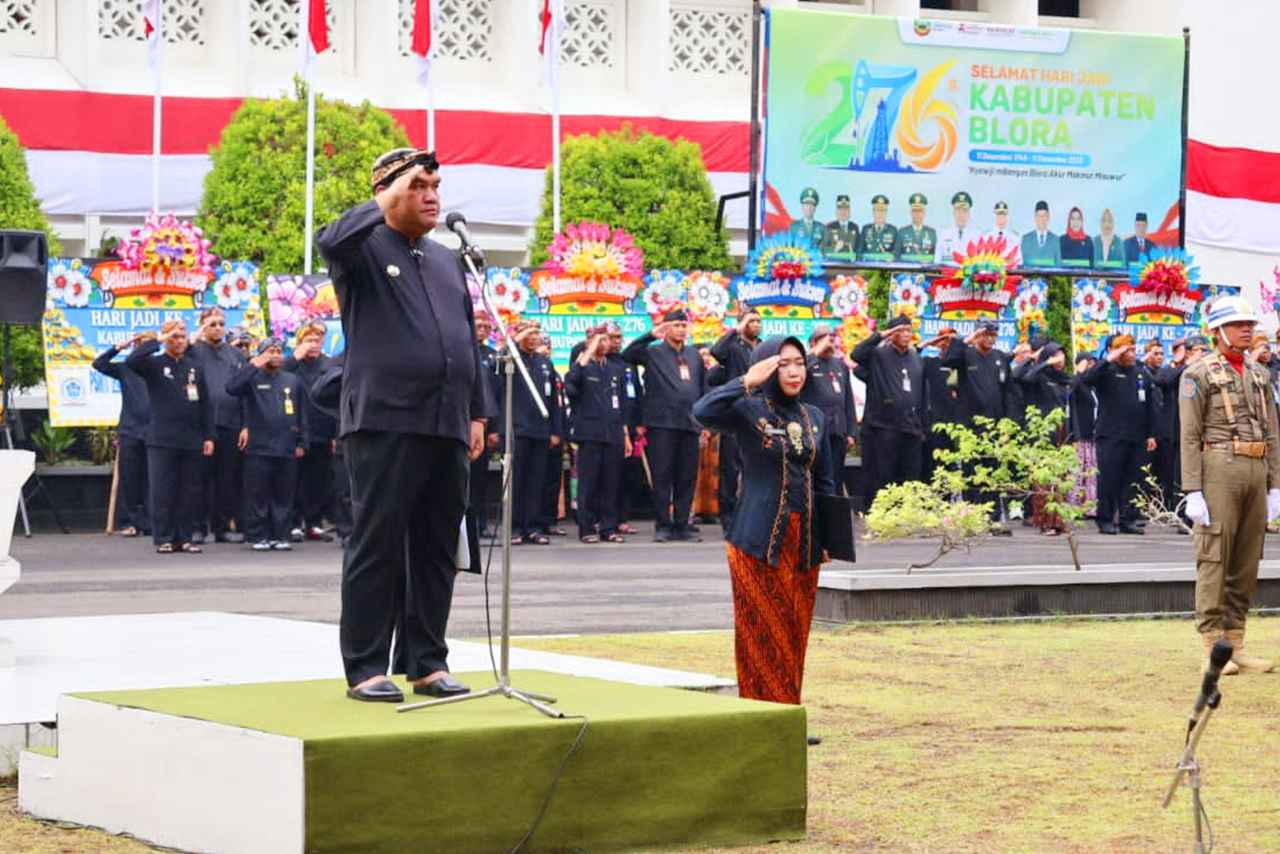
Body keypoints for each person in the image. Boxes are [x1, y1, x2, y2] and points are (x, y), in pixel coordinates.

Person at [316, 147, 491, 703]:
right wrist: (382, 197)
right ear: (387, 190)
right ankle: (366, 666)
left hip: (446, 420)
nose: (432, 195)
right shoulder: (362, 248)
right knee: (379, 542)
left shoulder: (445, 259)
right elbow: (329, 239)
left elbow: (469, 338)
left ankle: (426, 661)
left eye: (435, 184)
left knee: (438, 545)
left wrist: (478, 411)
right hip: (385, 419)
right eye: (418, 185)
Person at [692, 336, 835, 708]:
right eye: (783, 363)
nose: (793, 371)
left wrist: (830, 539)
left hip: (804, 540)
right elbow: (703, 410)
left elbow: (826, 481)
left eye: (799, 363)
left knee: (794, 628)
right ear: (765, 365)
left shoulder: (814, 417)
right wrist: (746, 381)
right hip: (756, 538)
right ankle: (760, 714)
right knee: (760, 632)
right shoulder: (747, 409)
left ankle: (788, 714)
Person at [1180, 296, 1280, 674]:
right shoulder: (1197, 374)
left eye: (1249, 324)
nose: (1247, 329)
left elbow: (1272, 431)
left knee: (1246, 559)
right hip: (1219, 466)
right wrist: (1193, 489)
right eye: (1238, 324)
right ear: (1218, 331)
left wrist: (1275, 484)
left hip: (1255, 467)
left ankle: (1235, 644)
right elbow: (1190, 435)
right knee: (1214, 557)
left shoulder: (1259, 374)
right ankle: (1212, 648)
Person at [126, 319, 214, 554]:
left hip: (192, 438)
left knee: (189, 491)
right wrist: (160, 340)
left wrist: (209, 436)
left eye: (182, 336)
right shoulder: (154, 364)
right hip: (162, 439)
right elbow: (132, 361)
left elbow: (206, 404)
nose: (179, 341)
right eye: (174, 337)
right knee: (163, 490)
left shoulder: (194, 366)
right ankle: (164, 537)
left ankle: (184, 538)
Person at [622, 307, 709, 542]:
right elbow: (627, 354)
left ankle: (682, 524)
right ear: (666, 327)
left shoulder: (693, 354)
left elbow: (702, 388)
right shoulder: (653, 352)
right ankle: (663, 524)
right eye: (676, 325)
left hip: (690, 423)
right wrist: (652, 334)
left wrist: (704, 422)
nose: (681, 330)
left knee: (686, 477)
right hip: (662, 423)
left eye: (683, 326)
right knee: (662, 476)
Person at [227, 338, 308, 551]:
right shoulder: (252, 378)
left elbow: (302, 414)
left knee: (284, 493)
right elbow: (232, 387)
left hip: (286, 445)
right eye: (270, 351)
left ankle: (280, 534)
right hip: (259, 445)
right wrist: (254, 364)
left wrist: (302, 441)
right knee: (258, 493)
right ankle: (258, 535)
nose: (275, 355)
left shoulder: (292, 380)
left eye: (278, 351)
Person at [940, 321, 1014, 532]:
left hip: (995, 427)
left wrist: (1007, 425)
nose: (990, 339)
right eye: (985, 334)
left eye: (993, 335)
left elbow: (1010, 391)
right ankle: (972, 519)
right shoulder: (965, 354)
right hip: (970, 426)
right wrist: (968, 341)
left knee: (993, 473)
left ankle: (993, 519)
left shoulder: (1000, 357)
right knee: (971, 473)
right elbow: (947, 361)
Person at [1082, 334, 1156, 535]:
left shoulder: (1141, 373)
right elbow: (1085, 379)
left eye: (1132, 350)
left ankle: (1128, 519)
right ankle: (1105, 519)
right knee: (1109, 479)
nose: (1131, 354)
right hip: (1111, 435)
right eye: (1126, 351)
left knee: (1133, 480)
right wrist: (1110, 358)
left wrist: (1151, 434)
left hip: (1137, 436)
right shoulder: (1106, 371)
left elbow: (1151, 405)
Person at [851, 315, 925, 509]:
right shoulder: (878, 355)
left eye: (909, 330)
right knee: (883, 472)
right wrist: (881, 335)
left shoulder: (915, 357)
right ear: (891, 334)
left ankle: (905, 512)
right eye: (900, 330)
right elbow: (856, 355)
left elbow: (921, 391)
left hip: (911, 425)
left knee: (909, 473)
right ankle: (881, 511)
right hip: (884, 424)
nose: (906, 335)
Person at [498, 322, 561, 545]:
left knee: (537, 481)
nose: (535, 338)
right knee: (517, 481)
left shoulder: (545, 363)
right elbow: (502, 356)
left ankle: (533, 526)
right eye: (530, 333)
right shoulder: (510, 359)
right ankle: (514, 527)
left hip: (540, 430)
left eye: (537, 334)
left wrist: (555, 429)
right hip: (516, 430)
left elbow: (553, 400)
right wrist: (518, 336)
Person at [566, 325, 628, 543]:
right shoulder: (582, 366)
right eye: (598, 340)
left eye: (606, 340)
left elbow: (621, 403)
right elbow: (570, 386)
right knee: (589, 483)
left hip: (613, 432)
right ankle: (587, 527)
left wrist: (625, 434)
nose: (604, 343)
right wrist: (587, 353)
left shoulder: (615, 368)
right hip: (589, 433)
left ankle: (609, 527)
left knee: (611, 483)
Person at [189, 307, 246, 543]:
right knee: (199, 478)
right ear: (203, 325)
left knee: (227, 478)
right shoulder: (193, 351)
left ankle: (222, 527)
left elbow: (245, 390)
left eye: (221, 324)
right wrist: (198, 334)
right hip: (202, 424)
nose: (218, 328)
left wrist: (246, 425)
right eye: (212, 324)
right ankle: (197, 528)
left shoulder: (235, 355)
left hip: (231, 422)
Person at [93, 334, 153, 537]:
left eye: (148, 345)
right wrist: (118, 347)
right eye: (140, 345)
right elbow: (98, 364)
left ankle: (151, 522)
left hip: (155, 431)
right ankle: (130, 522)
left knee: (153, 479)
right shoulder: (125, 368)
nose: (144, 349)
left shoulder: (159, 368)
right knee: (130, 478)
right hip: (130, 430)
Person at [710, 308, 762, 531]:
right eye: (752, 321)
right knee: (730, 469)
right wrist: (736, 330)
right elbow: (716, 351)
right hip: (735, 413)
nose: (757, 324)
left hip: (758, 414)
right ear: (741, 324)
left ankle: (751, 515)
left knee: (755, 466)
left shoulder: (761, 347)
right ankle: (728, 518)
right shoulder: (732, 347)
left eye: (759, 321)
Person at [284, 322, 336, 543]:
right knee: (295, 479)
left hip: (322, 429)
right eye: (309, 340)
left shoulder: (328, 364)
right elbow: (278, 375)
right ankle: (294, 523)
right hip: (295, 430)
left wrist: (335, 433)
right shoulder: (292, 363)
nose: (313, 345)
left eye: (317, 340)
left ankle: (313, 522)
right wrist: (296, 356)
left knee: (318, 480)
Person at [1015, 342, 1071, 534]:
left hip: (1061, 430)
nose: (1060, 359)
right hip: (1042, 431)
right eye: (1056, 355)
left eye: (1062, 355)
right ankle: (1045, 522)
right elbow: (1024, 377)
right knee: (1043, 479)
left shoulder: (1062, 379)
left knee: (1060, 478)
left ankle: (1059, 520)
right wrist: (1044, 362)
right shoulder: (1039, 375)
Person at [800, 325, 856, 490]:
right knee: (817, 476)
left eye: (832, 337)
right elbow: (800, 373)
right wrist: (816, 352)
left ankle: (834, 511)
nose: (830, 342)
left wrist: (851, 431)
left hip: (838, 430)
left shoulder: (840, 365)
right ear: (814, 342)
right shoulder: (808, 362)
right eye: (825, 338)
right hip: (815, 432)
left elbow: (848, 400)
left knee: (836, 476)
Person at [468, 313, 501, 537]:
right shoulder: (464, 350)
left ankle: (480, 523)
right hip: (462, 420)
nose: (481, 329)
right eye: (477, 325)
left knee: (479, 477)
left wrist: (496, 428)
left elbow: (498, 394)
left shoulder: (494, 357)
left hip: (484, 423)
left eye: (485, 326)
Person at [920, 327, 960, 483]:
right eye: (946, 340)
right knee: (933, 468)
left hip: (955, 425)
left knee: (953, 469)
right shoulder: (929, 363)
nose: (950, 344)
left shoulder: (957, 367)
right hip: (934, 424)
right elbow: (912, 353)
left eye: (954, 341)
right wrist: (930, 342)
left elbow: (955, 390)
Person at [1141, 340, 1175, 510]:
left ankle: (1163, 504)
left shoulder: (1165, 373)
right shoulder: (1143, 373)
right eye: (1156, 353)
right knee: (1149, 470)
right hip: (1148, 430)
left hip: (1165, 429)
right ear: (1147, 355)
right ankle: (1146, 504)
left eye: (1162, 354)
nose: (1160, 357)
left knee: (1165, 469)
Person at [1067, 353, 1099, 511]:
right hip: (1080, 435)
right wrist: (1079, 371)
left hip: (1094, 435)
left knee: (1091, 472)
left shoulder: (1093, 386)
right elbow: (1071, 387)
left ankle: (1090, 506)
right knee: (1078, 472)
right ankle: (1074, 505)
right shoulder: (1077, 383)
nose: (1091, 367)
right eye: (1088, 364)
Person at [894, 193, 936, 262]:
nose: (917, 214)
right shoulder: (902, 232)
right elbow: (896, 256)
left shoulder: (931, 233)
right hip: (906, 271)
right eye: (914, 211)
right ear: (910, 212)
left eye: (920, 211)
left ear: (924, 213)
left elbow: (935, 257)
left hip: (926, 271)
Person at [933, 191, 974, 263]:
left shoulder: (977, 236)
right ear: (953, 213)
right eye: (958, 211)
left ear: (969, 213)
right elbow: (937, 261)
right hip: (947, 273)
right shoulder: (943, 235)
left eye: (964, 211)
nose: (961, 215)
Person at [1020, 200, 1061, 267]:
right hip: (1030, 277)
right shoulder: (1026, 239)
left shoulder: (1055, 240)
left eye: (1044, 216)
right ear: (1035, 217)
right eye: (1039, 216)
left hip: (1050, 276)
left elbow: (1058, 265)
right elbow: (1022, 264)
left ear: (1048, 217)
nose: (1042, 219)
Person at [857, 195, 896, 261]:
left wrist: (891, 257)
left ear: (886, 212)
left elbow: (896, 253)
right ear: (873, 212)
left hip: (886, 269)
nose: (880, 214)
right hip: (868, 268)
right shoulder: (866, 229)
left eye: (883, 211)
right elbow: (859, 252)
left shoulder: (893, 230)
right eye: (877, 210)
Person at [821, 194, 857, 260]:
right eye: (840, 209)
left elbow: (858, 249)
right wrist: (834, 249)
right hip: (834, 267)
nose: (843, 212)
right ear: (836, 211)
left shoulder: (854, 227)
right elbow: (823, 250)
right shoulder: (830, 227)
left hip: (851, 267)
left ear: (849, 211)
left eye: (846, 209)